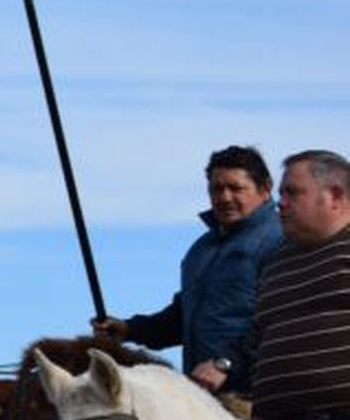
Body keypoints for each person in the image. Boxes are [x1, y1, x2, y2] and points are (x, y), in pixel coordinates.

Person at [91, 145, 282, 396]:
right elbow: (183, 318)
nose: (224, 197)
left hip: (259, 397)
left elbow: (282, 320)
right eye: (216, 188)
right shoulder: (201, 250)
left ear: (265, 189)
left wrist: (225, 363)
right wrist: (130, 329)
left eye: (236, 188)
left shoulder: (280, 240)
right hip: (206, 397)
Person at [245, 150, 350, 420]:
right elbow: (257, 340)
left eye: (293, 193)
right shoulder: (275, 262)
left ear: (336, 196)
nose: (282, 203)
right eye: (281, 193)